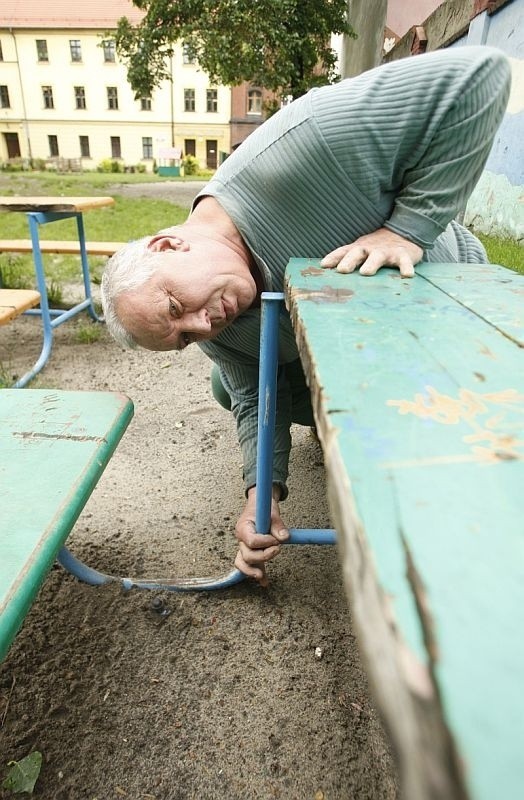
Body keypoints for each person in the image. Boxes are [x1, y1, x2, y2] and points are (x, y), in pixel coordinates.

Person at [102, 46, 511, 586]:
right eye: (180, 338)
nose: (201, 327)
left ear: (168, 245)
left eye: (178, 308)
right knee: (228, 386)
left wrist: (408, 229)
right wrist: (261, 495)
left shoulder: (302, 148)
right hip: (371, 346)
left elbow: (479, 76)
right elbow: (254, 395)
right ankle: (362, 429)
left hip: (452, 309)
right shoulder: (214, 319)